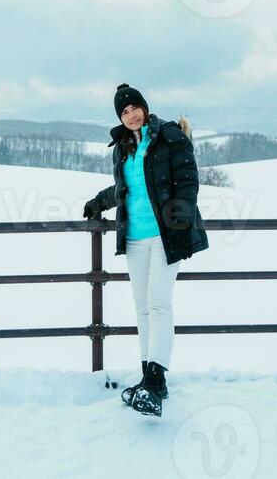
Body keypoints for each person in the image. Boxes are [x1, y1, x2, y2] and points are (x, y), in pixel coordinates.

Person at [83, 83, 209, 416]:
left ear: (145, 107)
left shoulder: (169, 136)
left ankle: (156, 380)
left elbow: (187, 182)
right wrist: (100, 201)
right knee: (141, 307)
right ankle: (147, 379)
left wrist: (180, 228)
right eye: (124, 112)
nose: (131, 115)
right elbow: (128, 187)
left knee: (159, 303)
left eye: (134, 108)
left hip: (166, 235)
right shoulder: (122, 147)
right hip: (135, 237)